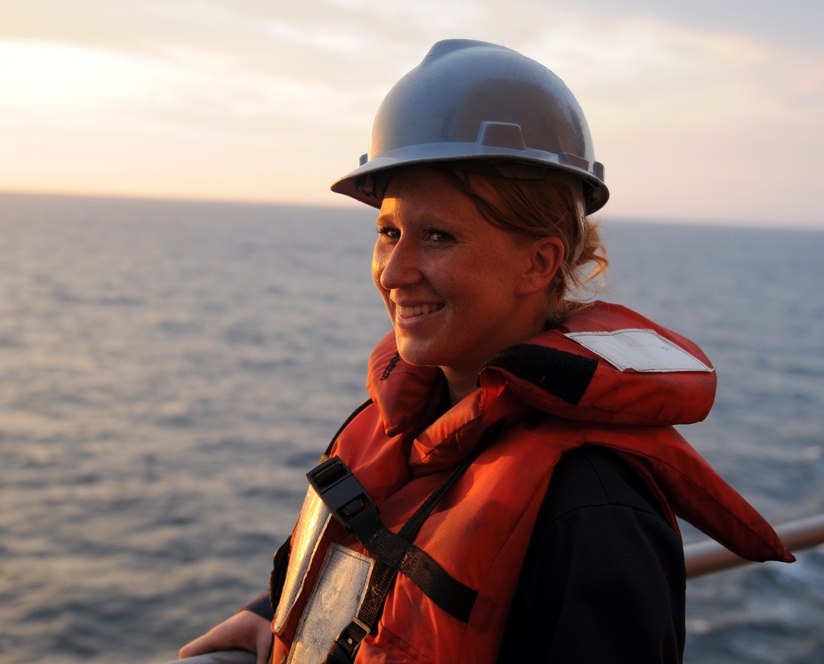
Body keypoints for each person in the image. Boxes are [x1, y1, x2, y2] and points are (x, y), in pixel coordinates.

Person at [176, 39, 793, 664]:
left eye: (438, 236)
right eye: (389, 232)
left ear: (539, 262)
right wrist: (271, 617)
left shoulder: (592, 513)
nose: (394, 272)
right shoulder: (415, 421)